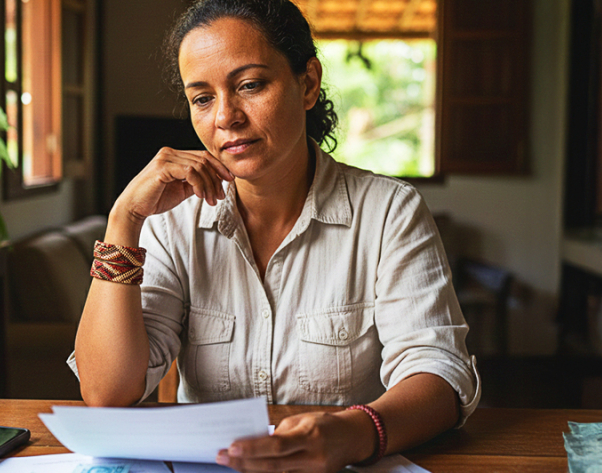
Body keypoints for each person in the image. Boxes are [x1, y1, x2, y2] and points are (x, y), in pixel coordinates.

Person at [70, 0, 480, 470]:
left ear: (307, 83)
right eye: (202, 98)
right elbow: (106, 393)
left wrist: (353, 432)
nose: (225, 117)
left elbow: (439, 375)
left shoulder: (389, 212)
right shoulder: (170, 224)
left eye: (249, 85)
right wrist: (123, 219)